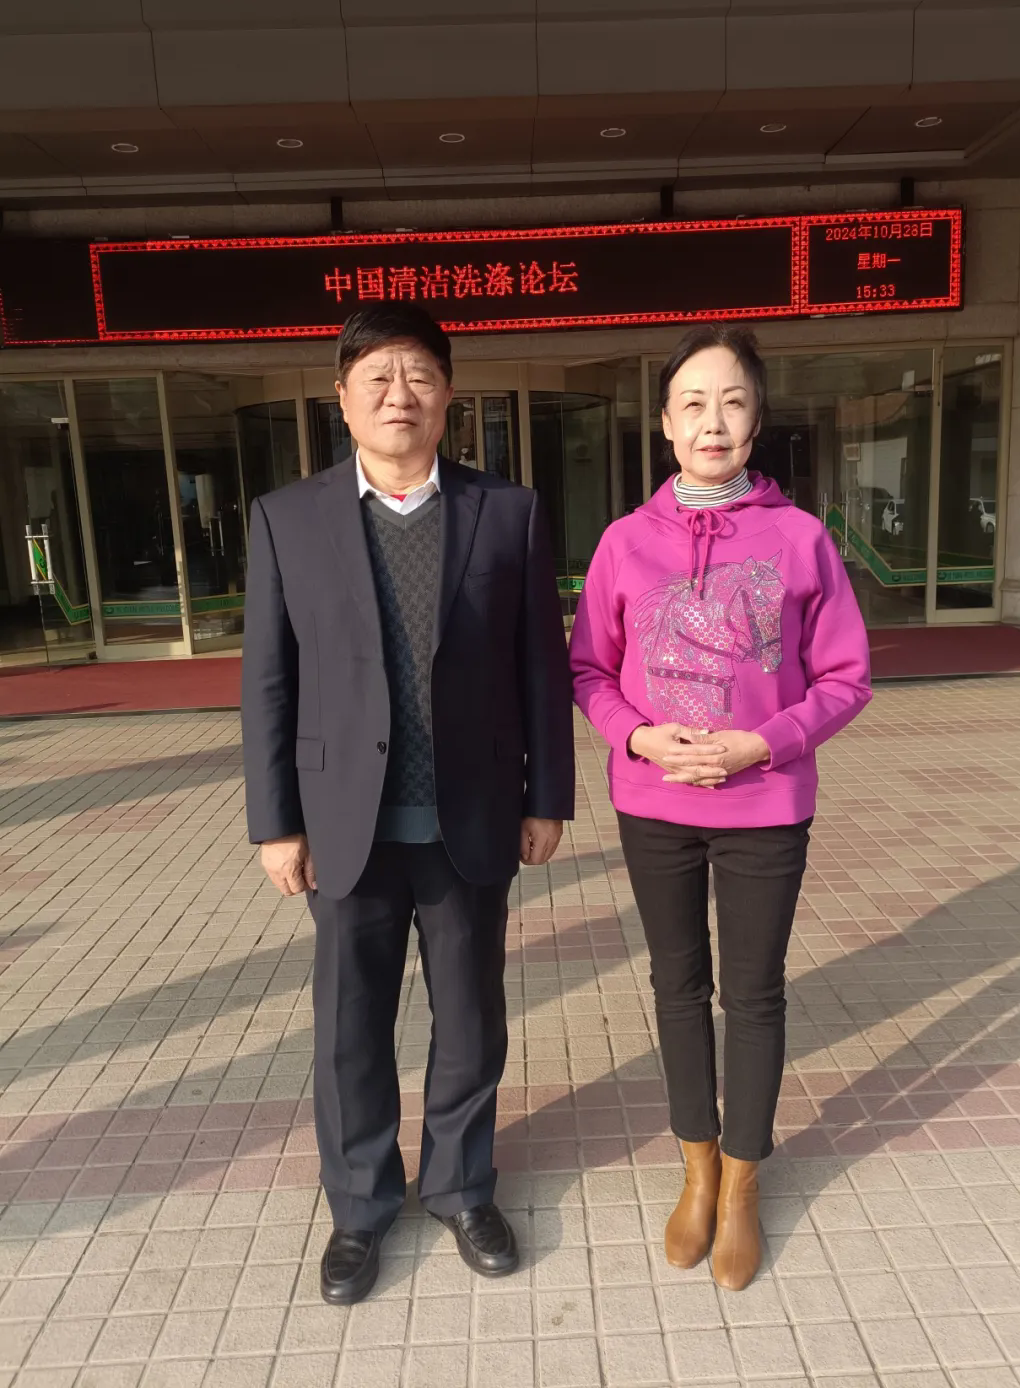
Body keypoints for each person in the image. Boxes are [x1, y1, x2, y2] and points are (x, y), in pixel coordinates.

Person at [242, 302, 574, 1305]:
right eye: (377, 377)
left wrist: (548, 796)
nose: (400, 395)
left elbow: (540, 667)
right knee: (351, 1026)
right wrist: (275, 822)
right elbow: (268, 682)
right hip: (344, 824)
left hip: (470, 817)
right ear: (342, 400)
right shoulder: (286, 518)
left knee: (470, 1019)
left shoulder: (506, 512)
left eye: (420, 375)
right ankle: (359, 1207)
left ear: (449, 395)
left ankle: (463, 1188)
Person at [570, 324, 870, 1290]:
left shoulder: (801, 539)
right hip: (654, 804)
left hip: (767, 803)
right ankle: (695, 1165)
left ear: (756, 419)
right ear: (665, 424)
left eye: (732, 402)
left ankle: (742, 1180)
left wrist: (763, 743)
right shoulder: (624, 543)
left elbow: (846, 677)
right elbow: (589, 669)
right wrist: (639, 739)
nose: (713, 421)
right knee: (675, 985)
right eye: (693, 404)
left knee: (754, 992)